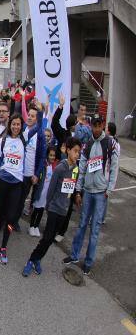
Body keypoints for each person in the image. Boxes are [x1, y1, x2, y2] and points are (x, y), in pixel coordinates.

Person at [63, 115, 119, 274]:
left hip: (101, 193)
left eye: (99, 125)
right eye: (94, 125)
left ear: (103, 125)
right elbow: (81, 169)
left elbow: (114, 168)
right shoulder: (87, 144)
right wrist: (78, 190)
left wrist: (109, 190)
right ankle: (74, 255)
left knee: (95, 229)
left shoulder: (111, 144)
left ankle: (88, 262)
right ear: (91, 126)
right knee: (82, 224)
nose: (97, 128)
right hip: (87, 191)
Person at [23, 138, 81, 277]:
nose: (77, 154)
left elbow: (71, 190)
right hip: (54, 208)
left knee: (49, 240)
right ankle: (31, 260)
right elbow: (51, 190)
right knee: (47, 238)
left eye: (79, 152)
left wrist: (71, 202)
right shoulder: (60, 168)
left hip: (63, 210)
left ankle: (38, 259)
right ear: (68, 150)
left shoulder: (76, 169)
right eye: (75, 151)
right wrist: (49, 206)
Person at [0, 114, 28, 265]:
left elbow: (37, 126)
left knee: (10, 217)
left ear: (21, 126)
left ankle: (3, 247)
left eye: (18, 124)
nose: (16, 127)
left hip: (16, 184)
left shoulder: (24, 140)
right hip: (2, 182)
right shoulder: (2, 140)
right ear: (10, 125)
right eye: (14, 124)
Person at [28, 147, 59, 237]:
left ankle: (36, 226)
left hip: (47, 194)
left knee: (41, 210)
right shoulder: (43, 165)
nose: (52, 157)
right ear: (47, 155)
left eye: (54, 156)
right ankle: (31, 226)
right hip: (40, 192)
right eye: (50, 155)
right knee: (36, 210)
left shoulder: (54, 167)